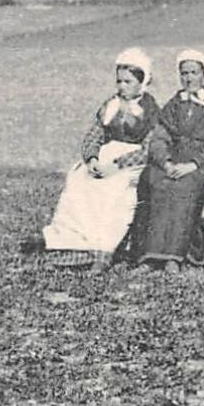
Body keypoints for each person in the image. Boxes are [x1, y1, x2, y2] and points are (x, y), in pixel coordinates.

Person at [40, 48, 160, 272]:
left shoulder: (150, 109)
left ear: (142, 82)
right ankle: (73, 247)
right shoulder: (110, 105)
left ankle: (103, 250)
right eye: (119, 81)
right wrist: (92, 158)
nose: (122, 86)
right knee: (78, 182)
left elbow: (150, 147)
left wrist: (116, 165)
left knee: (113, 190)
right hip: (104, 159)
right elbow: (94, 134)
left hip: (131, 163)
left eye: (128, 82)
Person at [139, 50, 204, 272]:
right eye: (184, 73)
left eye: (194, 73)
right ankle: (150, 257)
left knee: (185, 186)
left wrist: (194, 164)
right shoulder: (174, 104)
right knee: (157, 181)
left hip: (199, 164)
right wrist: (166, 163)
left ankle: (174, 256)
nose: (189, 78)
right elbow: (160, 137)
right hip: (173, 162)